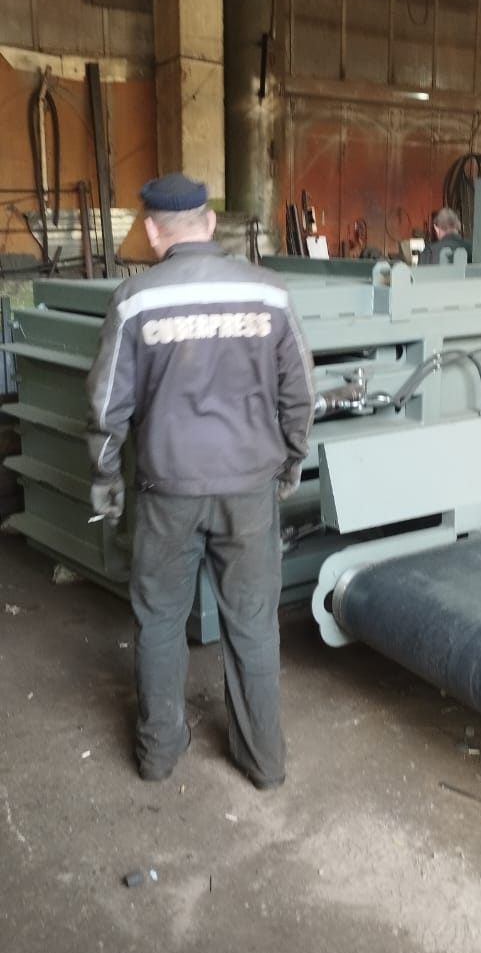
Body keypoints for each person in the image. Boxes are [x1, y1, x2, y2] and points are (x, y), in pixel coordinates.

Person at [86, 173, 315, 788]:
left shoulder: (135, 300)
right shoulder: (269, 293)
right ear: (210, 224)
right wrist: (291, 459)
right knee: (252, 621)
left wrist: (105, 473)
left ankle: (159, 753)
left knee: (160, 618)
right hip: (249, 490)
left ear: (152, 231)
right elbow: (300, 392)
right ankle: (263, 761)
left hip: (167, 492)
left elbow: (108, 404)